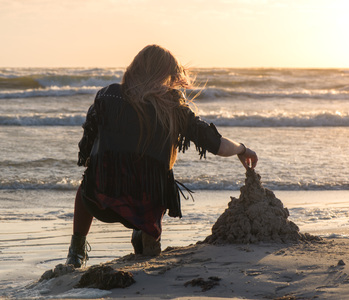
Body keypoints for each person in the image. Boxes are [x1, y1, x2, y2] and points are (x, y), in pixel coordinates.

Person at [66, 45, 258, 268]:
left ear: (135, 67)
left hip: (100, 200)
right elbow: (218, 145)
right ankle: (147, 234)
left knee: (86, 184)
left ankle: (76, 250)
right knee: (156, 180)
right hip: (145, 206)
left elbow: (88, 144)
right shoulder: (172, 105)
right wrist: (243, 149)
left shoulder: (107, 94)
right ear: (165, 74)